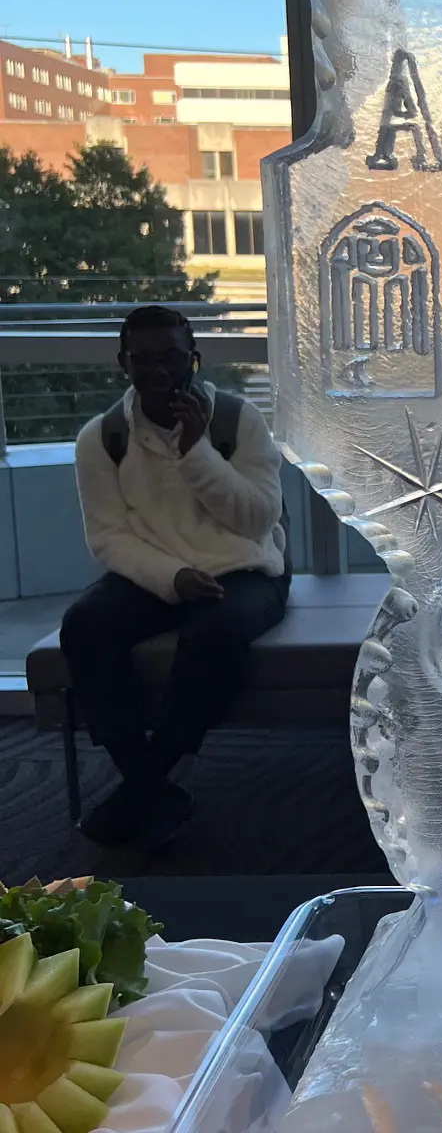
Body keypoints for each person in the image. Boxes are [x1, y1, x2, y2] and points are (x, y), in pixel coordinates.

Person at [61, 304, 290, 851]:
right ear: (124, 363)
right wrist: (172, 575)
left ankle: (142, 786)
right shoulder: (103, 438)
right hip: (157, 569)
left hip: (244, 566)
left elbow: (258, 520)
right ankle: (151, 787)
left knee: (216, 632)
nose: (159, 370)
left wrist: (196, 452)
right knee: (85, 625)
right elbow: (108, 537)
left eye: (171, 356)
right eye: (143, 359)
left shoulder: (237, 420)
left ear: (194, 359)